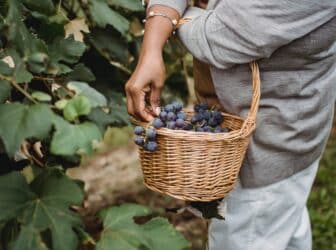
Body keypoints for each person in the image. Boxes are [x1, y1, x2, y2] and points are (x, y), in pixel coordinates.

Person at [125, 0, 336, 249]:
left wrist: (161, 17)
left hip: (271, 144)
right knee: (282, 220)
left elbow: (218, 36)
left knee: (256, 222)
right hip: (246, 134)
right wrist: (154, 43)